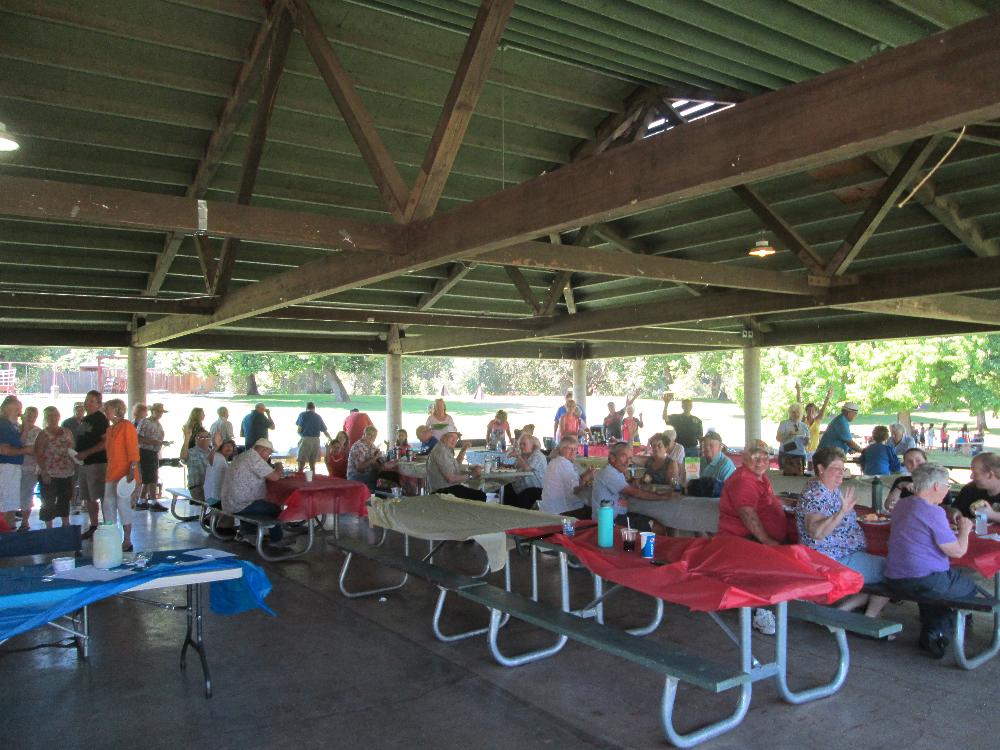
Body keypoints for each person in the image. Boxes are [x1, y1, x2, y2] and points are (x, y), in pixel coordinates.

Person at [885, 462, 980, 658]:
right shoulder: (933, 512)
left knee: (942, 586)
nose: (947, 490)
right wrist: (965, 530)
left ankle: (932, 629)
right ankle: (938, 631)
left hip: (895, 576)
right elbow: (957, 552)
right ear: (936, 486)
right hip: (923, 578)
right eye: (946, 485)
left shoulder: (902, 504)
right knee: (970, 589)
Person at [795, 447, 890, 618]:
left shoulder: (828, 489)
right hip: (832, 559)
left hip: (842, 554)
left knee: (888, 566)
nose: (841, 473)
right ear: (821, 469)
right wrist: (841, 512)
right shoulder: (816, 494)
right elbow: (816, 532)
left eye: (843, 468)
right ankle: (869, 617)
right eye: (836, 468)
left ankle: (843, 612)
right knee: (894, 571)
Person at [716, 441, 789, 635]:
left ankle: (773, 603)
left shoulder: (759, 477)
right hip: (743, 539)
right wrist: (767, 540)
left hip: (753, 538)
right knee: (761, 572)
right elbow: (747, 513)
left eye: (765, 457)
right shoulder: (743, 480)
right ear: (744, 457)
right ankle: (759, 612)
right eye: (755, 456)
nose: (761, 461)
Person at [221, 438, 286, 546]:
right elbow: (275, 477)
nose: (268, 456)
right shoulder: (255, 458)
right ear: (264, 450)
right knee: (276, 510)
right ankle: (277, 540)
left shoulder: (245, 455)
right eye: (269, 453)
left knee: (259, 504)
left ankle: (248, 534)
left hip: (230, 502)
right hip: (240, 504)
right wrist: (279, 466)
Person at [591, 441, 671, 527]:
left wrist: (631, 484)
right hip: (609, 522)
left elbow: (625, 489)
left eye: (629, 458)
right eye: (624, 456)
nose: (627, 462)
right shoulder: (609, 473)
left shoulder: (616, 471)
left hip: (618, 516)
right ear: (612, 458)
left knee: (656, 521)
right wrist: (662, 497)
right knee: (658, 527)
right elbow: (635, 493)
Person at [101, 399, 140, 552]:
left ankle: (127, 539)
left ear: (117, 410)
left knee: (123, 506)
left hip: (125, 474)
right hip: (111, 473)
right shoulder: (110, 429)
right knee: (108, 506)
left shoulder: (127, 426)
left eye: (108, 409)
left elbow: (133, 450)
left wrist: (132, 470)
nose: (106, 411)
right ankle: (112, 537)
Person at [75, 390, 109, 540]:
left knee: (101, 495)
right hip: (84, 462)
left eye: (91, 401)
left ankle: (108, 524)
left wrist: (87, 452)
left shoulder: (100, 419)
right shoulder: (86, 419)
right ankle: (94, 525)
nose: (87, 403)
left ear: (98, 404)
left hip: (97, 463)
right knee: (88, 496)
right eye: (86, 400)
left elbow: (105, 442)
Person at [35, 406, 75, 528]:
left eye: (55, 415)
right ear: (46, 418)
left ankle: (65, 523)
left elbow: (72, 450)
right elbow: (38, 453)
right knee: (48, 500)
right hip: (49, 471)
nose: (53, 418)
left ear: (59, 416)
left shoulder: (67, 432)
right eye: (49, 416)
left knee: (65, 498)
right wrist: (44, 472)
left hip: (66, 471)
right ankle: (49, 527)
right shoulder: (43, 434)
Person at [539, 436, 595, 518]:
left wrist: (584, 475)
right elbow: (575, 490)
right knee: (595, 511)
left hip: (549, 509)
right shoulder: (563, 464)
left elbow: (569, 481)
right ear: (561, 449)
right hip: (562, 511)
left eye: (575, 449)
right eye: (569, 448)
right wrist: (585, 479)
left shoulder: (556, 461)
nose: (573, 452)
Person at [426, 430, 486, 501]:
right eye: (451, 437)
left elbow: (456, 463)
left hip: (446, 488)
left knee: (476, 488)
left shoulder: (444, 448)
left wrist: (464, 449)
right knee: (481, 495)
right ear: (443, 437)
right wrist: (472, 475)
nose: (454, 440)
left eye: (456, 438)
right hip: (442, 492)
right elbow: (451, 479)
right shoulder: (441, 452)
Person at [0, 396, 30, 531]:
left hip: (12, 467)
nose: (20, 412)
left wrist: (26, 428)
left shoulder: (11, 425)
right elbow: (4, 450)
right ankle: (5, 533)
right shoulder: (3, 425)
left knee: (10, 503)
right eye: (17, 409)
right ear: (7, 409)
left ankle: (8, 530)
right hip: (6, 467)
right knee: (6, 504)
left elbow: (20, 442)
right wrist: (27, 450)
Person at [137, 402, 168, 511]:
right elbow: (138, 438)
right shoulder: (145, 422)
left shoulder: (158, 424)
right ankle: (153, 501)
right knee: (152, 477)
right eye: (158, 411)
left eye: (161, 412)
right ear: (153, 411)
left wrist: (160, 443)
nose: (160, 414)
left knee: (148, 477)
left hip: (153, 452)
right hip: (145, 451)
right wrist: (153, 442)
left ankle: (141, 500)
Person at [950, 452, 1000, 521]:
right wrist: (954, 512)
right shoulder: (970, 489)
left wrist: (992, 515)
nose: (971, 476)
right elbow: (955, 509)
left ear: (990, 475)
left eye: (975, 473)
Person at [503, 434, 547, 509]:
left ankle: (518, 513)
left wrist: (518, 456)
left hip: (536, 489)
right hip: (524, 487)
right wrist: (506, 465)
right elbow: (515, 467)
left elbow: (527, 468)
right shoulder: (524, 454)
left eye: (524, 444)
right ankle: (508, 512)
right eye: (520, 444)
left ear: (532, 446)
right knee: (507, 486)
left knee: (525, 494)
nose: (521, 446)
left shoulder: (538, 455)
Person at [18, 406, 41, 531]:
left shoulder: (38, 432)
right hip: (14, 466)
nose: (30, 417)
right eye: (28, 414)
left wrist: (19, 450)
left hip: (29, 467)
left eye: (33, 415)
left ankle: (25, 521)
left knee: (27, 493)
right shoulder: (15, 428)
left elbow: (35, 450)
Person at [884, 448, 928, 513]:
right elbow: (888, 506)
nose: (914, 464)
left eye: (918, 460)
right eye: (909, 461)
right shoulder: (901, 481)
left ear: (926, 461)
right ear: (905, 465)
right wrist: (900, 486)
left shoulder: (935, 481)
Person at [295, 401, 334, 473]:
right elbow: (325, 431)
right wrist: (331, 439)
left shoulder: (302, 415)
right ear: (314, 408)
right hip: (316, 441)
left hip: (306, 440)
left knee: (301, 464)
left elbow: (298, 430)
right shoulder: (318, 416)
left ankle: (300, 476)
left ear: (306, 408)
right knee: (312, 465)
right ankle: (312, 478)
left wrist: (302, 437)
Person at [797, 383, 832, 454]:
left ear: (816, 412)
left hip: (814, 450)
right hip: (803, 449)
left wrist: (828, 396)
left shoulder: (817, 421)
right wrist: (798, 391)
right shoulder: (803, 420)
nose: (811, 412)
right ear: (806, 411)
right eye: (809, 410)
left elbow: (824, 408)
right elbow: (799, 405)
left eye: (813, 410)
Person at [347, 425, 384, 491]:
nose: (372, 437)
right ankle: (373, 495)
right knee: (378, 479)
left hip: (367, 474)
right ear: (364, 434)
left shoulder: (372, 445)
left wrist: (378, 463)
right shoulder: (359, 446)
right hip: (355, 476)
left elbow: (374, 462)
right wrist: (375, 458)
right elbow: (359, 468)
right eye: (369, 434)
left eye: (374, 436)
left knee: (384, 476)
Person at [775, 403, 809, 476]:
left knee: (799, 478)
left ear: (801, 414)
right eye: (793, 412)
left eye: (798, 412)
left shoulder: (804, 426)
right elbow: (778, 438)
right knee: (784, 478)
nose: (796, 414)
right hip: (786, 454)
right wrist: (788, 435)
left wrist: (807, 441)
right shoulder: (784, 423)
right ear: (790, 413)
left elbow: (807, 443)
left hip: (801, 454)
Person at [203, 439, 236, 508]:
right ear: (221, 448)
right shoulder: (217, 456)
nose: (229, 448)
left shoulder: (223, 459)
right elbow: (210, 458)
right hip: (214, 497)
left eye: (231, 446)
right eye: (226, 446)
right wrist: (216, 447)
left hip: (215, 496)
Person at [185, 430, 213, 503]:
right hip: (197, 488)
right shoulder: (191, 452)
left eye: (207, 437)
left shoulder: (213, 452)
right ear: (196, 439)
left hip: (211, 487)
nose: (204, 440)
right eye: (201, 437)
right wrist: (187, 437)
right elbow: (183, 457)